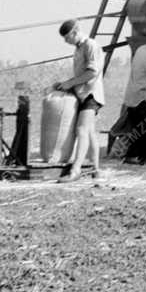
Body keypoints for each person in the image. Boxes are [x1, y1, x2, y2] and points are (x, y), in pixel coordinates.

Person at [53, 19, 106, 182]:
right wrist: (66, 84)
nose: (65, 41)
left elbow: (91, 72)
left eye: (67, 37)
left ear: (75, 32)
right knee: (89, 132)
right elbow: (80, 75)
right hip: (82, 93)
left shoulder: (90, 45)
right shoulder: (78, 49)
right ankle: (96, 170)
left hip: (91, 94)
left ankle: (75, 170)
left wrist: (70, 83)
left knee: (81, 130)